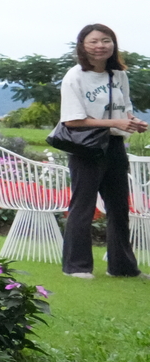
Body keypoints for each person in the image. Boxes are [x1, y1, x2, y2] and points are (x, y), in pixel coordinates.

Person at [57, 24, 146, 279]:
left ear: (113, 45)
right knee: (83, 206)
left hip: (115, 145)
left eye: (106, 40)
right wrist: (115, 122)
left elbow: (125, 109)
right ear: (82, 46)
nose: (100, 46)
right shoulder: (75, 76)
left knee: (119, 207)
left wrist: (133, 122)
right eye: (94, 41)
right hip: (86, 146)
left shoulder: (119, 75)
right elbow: (72, 121)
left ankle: (122, 267)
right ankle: (77, 266)